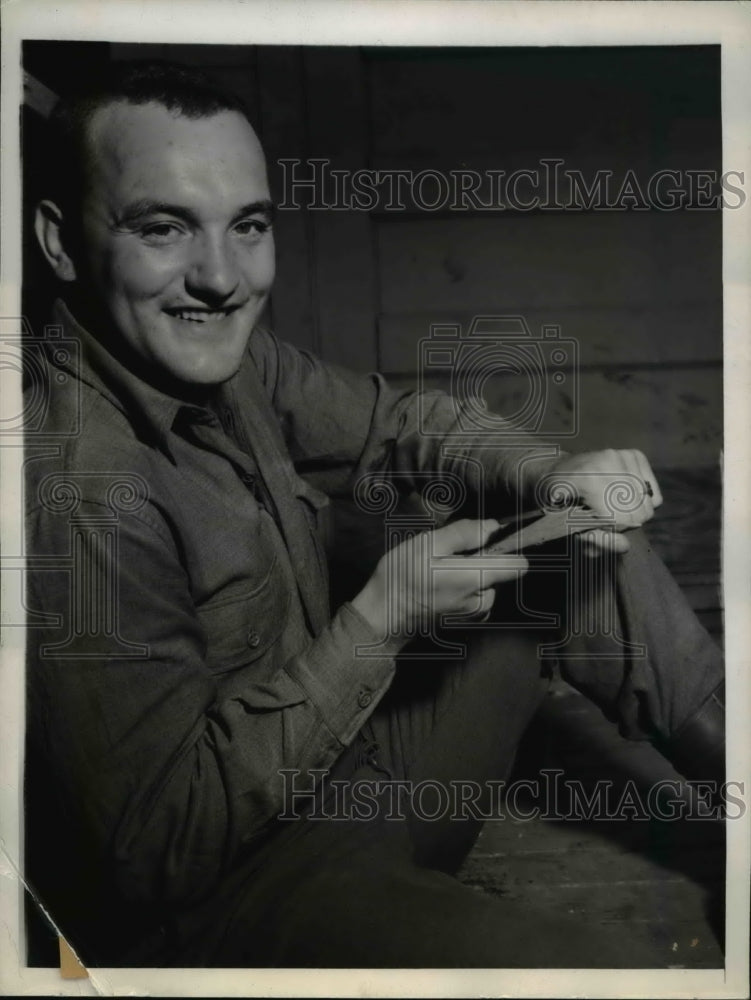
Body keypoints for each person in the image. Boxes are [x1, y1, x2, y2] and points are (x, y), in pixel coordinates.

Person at [24, 60, 724, 969]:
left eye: (249, 226)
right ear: (61, 242)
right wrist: (380, 620)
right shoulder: (78, 491)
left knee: (579, 541)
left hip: (350, 772)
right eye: (162, 228)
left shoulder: (226, 361)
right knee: (629, 985)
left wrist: (554, 475)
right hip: (230, 905)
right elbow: (160, 854)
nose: (221, 278)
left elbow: (401, 425)